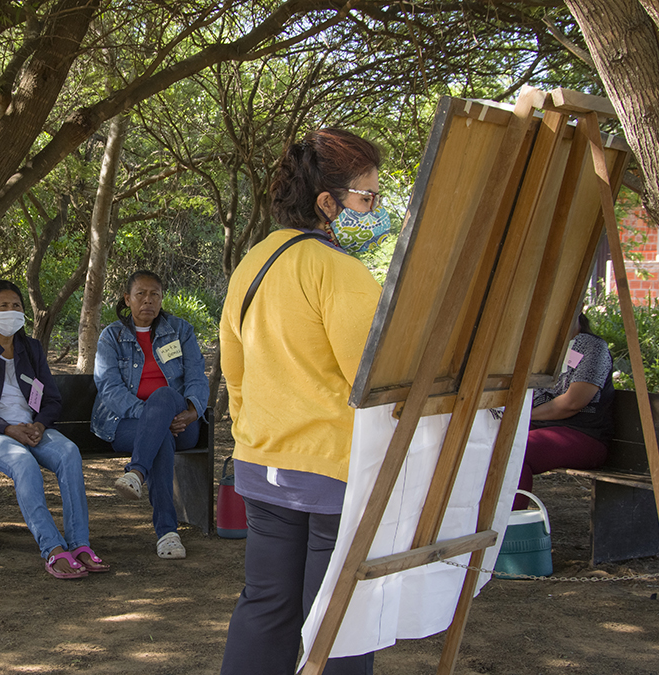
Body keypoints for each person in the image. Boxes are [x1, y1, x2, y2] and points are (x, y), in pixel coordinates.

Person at [218, 128, 384, 674]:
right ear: (327, 202)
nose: (375, 210)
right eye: (368, 198)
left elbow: (234, 373)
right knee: (337, 618)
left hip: (263, 464)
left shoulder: (252, 263)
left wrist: (259, 434)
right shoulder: (342, 273)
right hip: (334, 473)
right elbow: (375, 379)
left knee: (267, 606)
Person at [0, 279, 107, 579]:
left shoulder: (31, 349)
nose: (12, 311)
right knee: (23, 462)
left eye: (17, 306)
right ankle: (52, 548)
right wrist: (7, 429)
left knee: (69, 453)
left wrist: (39, 424)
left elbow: (51, 399)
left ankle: (80, 545)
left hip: (31, 428)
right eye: (3, 306)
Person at [90, 270, 209, 560]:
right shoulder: (111, 336)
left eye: (154, 294)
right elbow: (109, 387)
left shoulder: (181, 331)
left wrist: (193, 411)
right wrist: (153, 418)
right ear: (127, 299)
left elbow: (197, 377)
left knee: (166, 395)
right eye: (141, 294)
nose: (148, 300)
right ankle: (167, 533)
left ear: (162, 298)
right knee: (160, 440)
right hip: (124, 423)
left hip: (182, 423)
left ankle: (136, 473)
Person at [516, 313, 614, 509]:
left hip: (584, 434)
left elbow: (573, 403)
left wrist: (523, 416)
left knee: (517, 452)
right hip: (541, 427)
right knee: (489, 443)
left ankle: (512, 527)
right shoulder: (542, 345)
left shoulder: (593, 347)